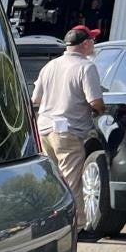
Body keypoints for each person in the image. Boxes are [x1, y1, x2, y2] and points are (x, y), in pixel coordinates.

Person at [31, 25, 105, 237]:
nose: (94, 44)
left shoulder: (50, 66)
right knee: (71, 181)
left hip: (44, 129)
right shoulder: (86, 67)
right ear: (85, 44)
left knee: (53, 180)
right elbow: (95, 101)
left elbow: (35, 99)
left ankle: (47, 225)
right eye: (92, 40)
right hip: (68, 131)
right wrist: (102, 110)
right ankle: (75, 228)